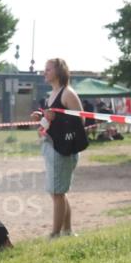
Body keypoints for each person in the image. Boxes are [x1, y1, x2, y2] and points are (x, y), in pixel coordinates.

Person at [30, 58, 84, 238]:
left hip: (63, 149)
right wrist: (42, 117)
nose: (44, 72)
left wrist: (56, 119)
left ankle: (55, 234)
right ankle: (67, 231)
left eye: (48, 69)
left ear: (59, 72)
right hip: (51, 146)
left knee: (57, 192)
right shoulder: (52, 94)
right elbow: (53, 119)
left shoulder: (67, 94)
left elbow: (80, 121)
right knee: (57, 192)